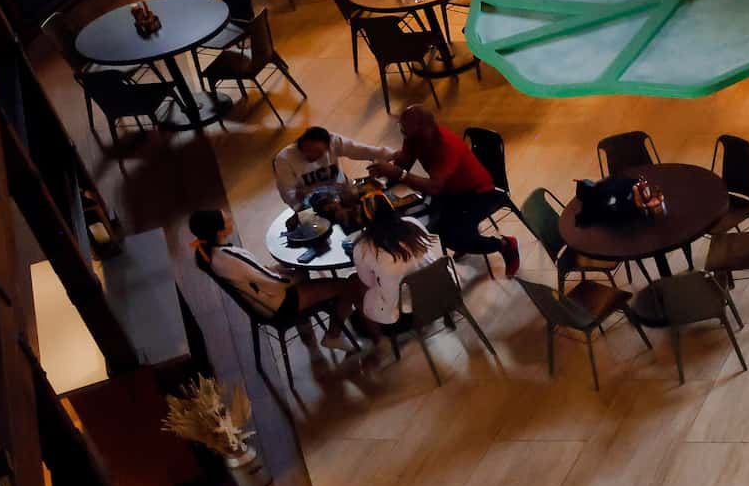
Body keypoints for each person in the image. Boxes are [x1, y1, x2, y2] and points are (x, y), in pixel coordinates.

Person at [377, 104, 518, 278]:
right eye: (403, 132)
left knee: (452, 236)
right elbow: (405, 162)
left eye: (406, 133)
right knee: (430, 222)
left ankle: (504, 245)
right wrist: (381, 182)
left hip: (478, 193)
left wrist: (398, 174)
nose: (404, 136)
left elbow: (433, 187)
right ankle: (469, 239)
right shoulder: (415, 137)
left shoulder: (446, 147)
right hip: (450, 191)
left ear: (424, 130)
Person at [189, 207, 362, 346]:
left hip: (267, 301)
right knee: (348, 285)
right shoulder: (229, 257)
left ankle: (307, 324)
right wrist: (296, 276)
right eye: (226, 219)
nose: (229, 216)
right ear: (220, 231)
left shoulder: (214, 254)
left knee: (301, 271)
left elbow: (255, 274)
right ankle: (333, 336)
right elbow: (274, 284)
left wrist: (280, 270)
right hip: (280, 304)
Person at [348, 196, 442, 354]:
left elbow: (369, 284)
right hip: (442, 297)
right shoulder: (412, 223)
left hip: (407, 315)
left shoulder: (363, 247)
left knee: (356, 285)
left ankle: (380, 343)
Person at [272, 124, 393, 209]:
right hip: (313, 205)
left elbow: (361, 150)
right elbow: (286, 192)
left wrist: (391, 154)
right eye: (307, 150)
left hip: (344, 193)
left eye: (318, 152)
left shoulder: (333, 141)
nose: (312, 155)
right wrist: (299, 205)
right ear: (301, 143)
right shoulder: (284, 159)